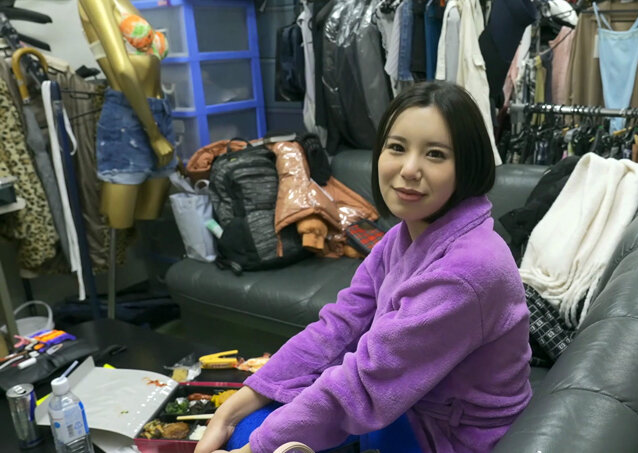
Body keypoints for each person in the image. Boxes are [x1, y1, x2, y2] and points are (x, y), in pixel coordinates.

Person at [195, 81, 532, 453]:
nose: (409, 169)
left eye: (435, 154)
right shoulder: (405, 235)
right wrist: (232, 407)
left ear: (466, 166)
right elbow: (338, 327)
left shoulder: (466, 270)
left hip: (448, 436)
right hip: (406, 403)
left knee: (253, 437)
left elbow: (366, 384)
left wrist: (254, 448)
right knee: (244, 425)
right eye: (397, 147)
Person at [78, 0, 175, 229]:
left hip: (158, 112)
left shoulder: (125, 2)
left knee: (150, 222)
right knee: (117, 226)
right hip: (128, 117)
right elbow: (122, 68)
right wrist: (154, 135)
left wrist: (160, 128)